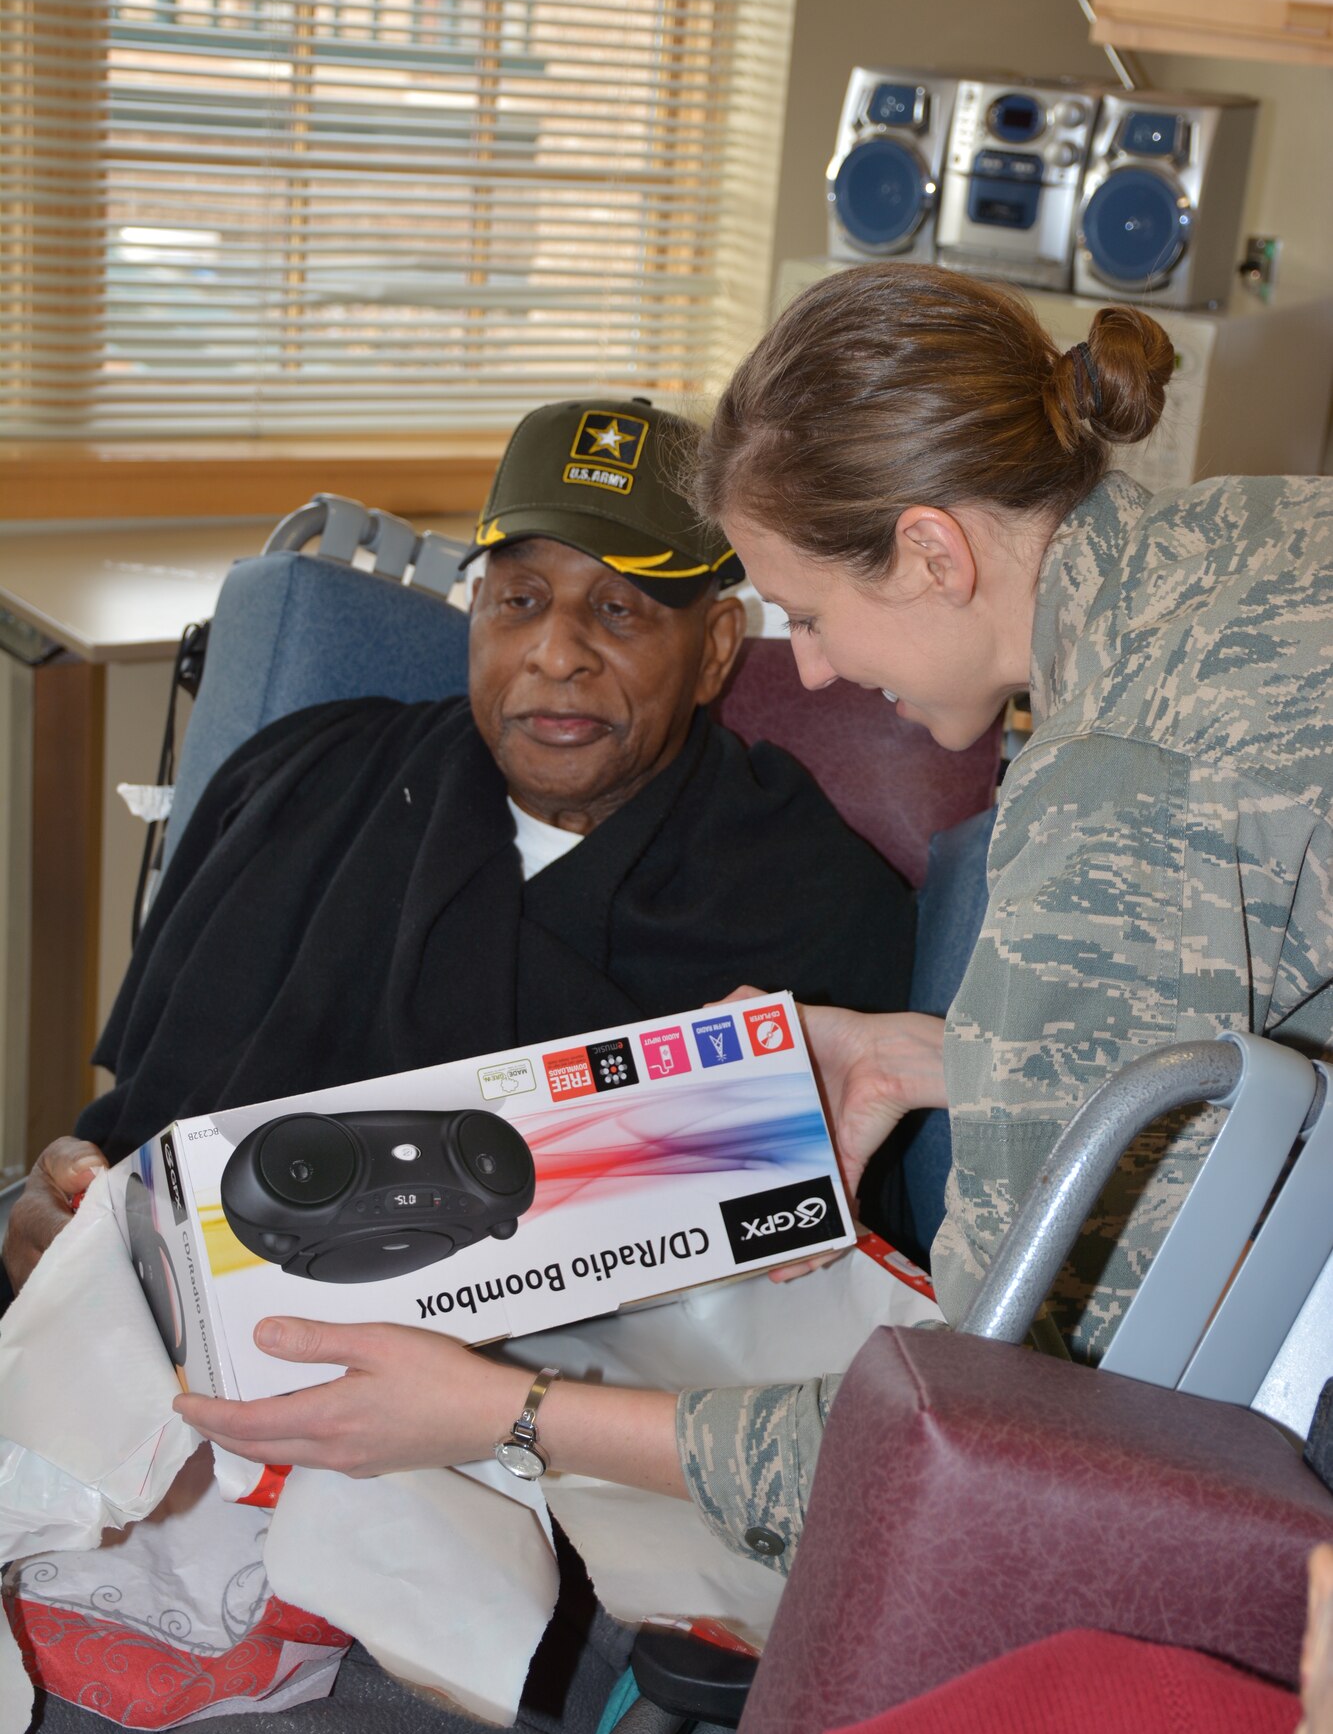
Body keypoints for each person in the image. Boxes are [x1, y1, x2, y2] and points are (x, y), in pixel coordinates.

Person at [170, 261, 1332, 1587]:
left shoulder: (1117, 797)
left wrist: (509, 1414)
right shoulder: (1265, 536)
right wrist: (941, 1057)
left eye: (816, 618)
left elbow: (994, 1426)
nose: (821, 670)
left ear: (932, 552)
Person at [5, 392, 917, 1734]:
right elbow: (128, 1134)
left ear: (717, 643)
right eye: (518, 599)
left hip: (509, 1478)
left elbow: (769, 1311)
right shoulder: (304, 787)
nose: (554, 654)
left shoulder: (806, 908)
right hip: (162, 1374)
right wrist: (61, 1194)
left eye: (621, 613)